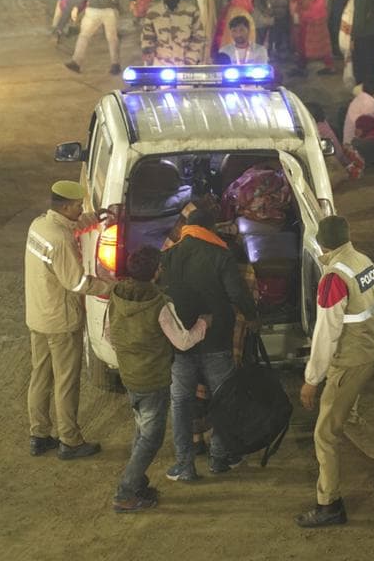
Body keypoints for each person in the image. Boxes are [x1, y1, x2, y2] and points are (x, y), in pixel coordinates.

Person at [296, 216, 374, 528]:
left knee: (324, 434)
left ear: (322, 243)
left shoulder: (333, 279)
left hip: (348, 361)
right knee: (346, 418)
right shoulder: (362, 260)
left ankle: (329, 505)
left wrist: (312, 380)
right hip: (367, 351)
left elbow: (326, 335)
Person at [105, 247, 209, 512]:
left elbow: (108, 336)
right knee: (151, 438)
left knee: (141, 431)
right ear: (154, 273)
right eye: (160, 267)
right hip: (153, 379)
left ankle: (138, 484)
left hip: (130, 376)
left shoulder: (115, 296)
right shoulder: (160, 304)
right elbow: (183, 342)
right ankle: (125, 493)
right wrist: (203, 324)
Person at [160, 208, 258, 481]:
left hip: (181, 344)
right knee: (222, 398)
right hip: (217, 340)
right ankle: (219, 457)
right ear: (210, 229)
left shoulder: (168, 256)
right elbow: (236, 292)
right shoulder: (221, 254)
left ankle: (185, 465)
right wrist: (251, 317)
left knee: (180, 402)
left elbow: (162, 296)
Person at [24, 181, 114, 460]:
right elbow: (76, 282)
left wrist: (92, 218)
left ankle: (39, 435)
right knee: (66, 382)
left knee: (40, 375)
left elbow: (70, 226)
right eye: (78, 206)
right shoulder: (61, 241)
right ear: (65, 207)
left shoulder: (40, 225)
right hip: (61, 321)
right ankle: (70, 441)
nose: (80, 209)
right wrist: (111, 286)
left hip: (38, 315)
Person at [141, 0, 206, 66]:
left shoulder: (191, 10)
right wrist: (149, 55)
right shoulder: (154, 12)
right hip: (161, 64)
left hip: (186, 64)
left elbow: (198, 37)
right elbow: (147, 37)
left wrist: (190, 60)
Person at [290, 0, 336, 75]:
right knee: (323, 42)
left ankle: (302, 65)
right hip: (320, 15)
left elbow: (307, 1)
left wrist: (299, 2)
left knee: (304, 42)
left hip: (310, 16)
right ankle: (328, 64)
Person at [343, 77, 374, 146]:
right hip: (353, 146)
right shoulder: (370, 104)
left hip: (347, 140)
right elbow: (367, 129)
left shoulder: (360, 97)